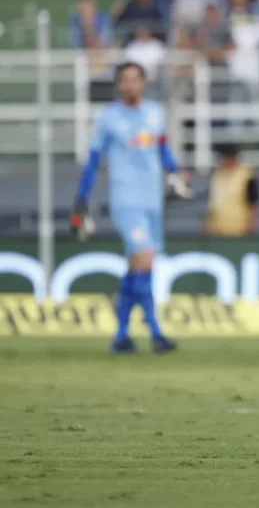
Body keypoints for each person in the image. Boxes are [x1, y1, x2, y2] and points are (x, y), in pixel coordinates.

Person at [70, 62, 194, 354]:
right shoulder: (108, 119)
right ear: (117, 85)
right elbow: (92, 161)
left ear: (143, 82)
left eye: (135, 79)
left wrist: (177, 173)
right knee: (145, 257)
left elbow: (162, 149)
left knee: (137, 265)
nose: (130, 85)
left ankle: (121, 336)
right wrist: (82, 198)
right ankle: (155, 331)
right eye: (124, 80)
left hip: (152, 200)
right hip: (126, 200)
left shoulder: (155, 113)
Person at [204, 144, 259, 237]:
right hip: (217, 232)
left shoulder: (247, 175)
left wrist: (251, 228)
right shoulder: (217, 175)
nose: (222, 161)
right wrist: (207, 225)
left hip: (239, 232)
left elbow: (253, 204)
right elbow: (212, 203)